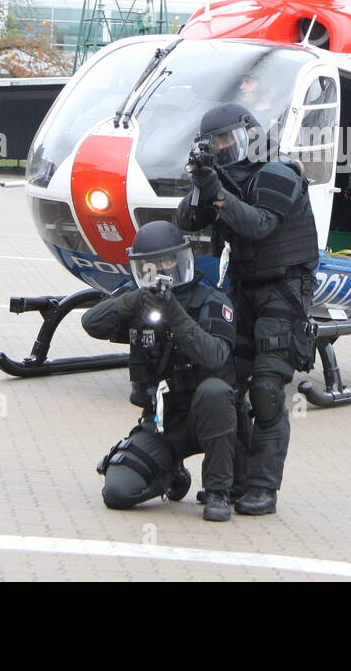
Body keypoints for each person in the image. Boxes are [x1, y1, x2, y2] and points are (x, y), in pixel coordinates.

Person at [176, 102, 319, 517]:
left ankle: (262, 488)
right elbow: (187, 220)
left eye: (227, 139)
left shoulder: (280, 172)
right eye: (214, 142)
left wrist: (216, 191)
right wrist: (204, 184)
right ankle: (231, 481)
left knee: (267, 390)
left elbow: (258, 225)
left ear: (250, 136)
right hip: (241, 289)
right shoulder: (221, 180)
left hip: (283, 290)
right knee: (227, 383)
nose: (222, 147)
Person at [85, 221, 240, 523]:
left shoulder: (209, 299)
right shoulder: (139, 298)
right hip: (161, 423)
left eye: (167, 261)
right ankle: (170, 476)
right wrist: (137, 298)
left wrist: (174, 313)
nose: (160, 269)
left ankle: (218, 491)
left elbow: (216, 356)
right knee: (117, 492)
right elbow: (92, 322)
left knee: (216, 391)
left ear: (180, 259)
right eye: (151, 264)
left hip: (210, 420)